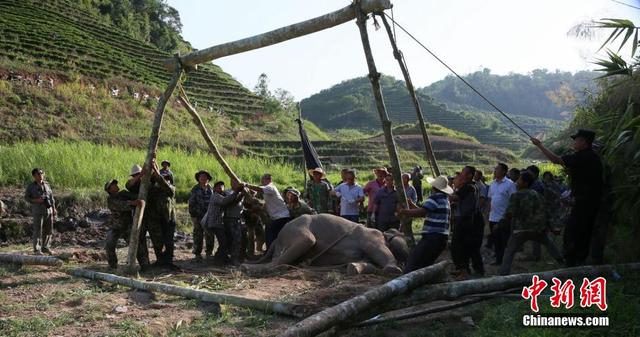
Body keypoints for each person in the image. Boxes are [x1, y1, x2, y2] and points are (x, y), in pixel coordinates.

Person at [531, 129, 603, 266]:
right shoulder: (590, 157)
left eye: (576, 139)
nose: (574, 142)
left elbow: (556, 160)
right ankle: (578, 260)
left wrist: (539, 145)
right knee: (583, 231)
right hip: (589, 201)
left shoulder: (584, 156)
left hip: (585, 202)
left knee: (573, 232)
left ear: (583, 142)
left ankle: (572, 261)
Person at [498, 172, 564, 275]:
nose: (517, 182)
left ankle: (503, 274)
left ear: (525, 183)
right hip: (537, 229)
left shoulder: (516, 195)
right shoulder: (537, 195)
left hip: (520, 229)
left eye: (519, 180)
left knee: (509, 252)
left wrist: (500, 224)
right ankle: (562, 262)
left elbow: (509, 213)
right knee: (549, 244)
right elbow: (546, 212)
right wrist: (552, 228)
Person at [400, 175, 453, 273]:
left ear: (434, 187)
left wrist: (404, 212)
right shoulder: (445, 199)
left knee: (413, 262)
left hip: (432, 237)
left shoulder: (434, 198)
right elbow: (426, 212)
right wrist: (411, 206)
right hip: (441, 238)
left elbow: (422, 212)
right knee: (424, 263)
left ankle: (408, 281)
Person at [450, 166, 484, 278]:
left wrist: (444, 190)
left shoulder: (469, 187)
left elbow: (454, 197)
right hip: (466, 219)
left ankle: (465, 271)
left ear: (469, 175)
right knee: (463, 245)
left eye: (463, 172)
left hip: (466, 220)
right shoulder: (469, 187)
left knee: (460, 245)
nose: (461, 174)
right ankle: (463, 269)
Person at [104, 179, 144, 269]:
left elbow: (135, 196)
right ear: (109, 190)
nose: (115, 185)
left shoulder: (123, 194)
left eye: (115, 184)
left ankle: (144, 265)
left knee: (135, 245)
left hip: (127, 225)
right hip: (115, 226)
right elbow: (121, 205)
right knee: (109, 245)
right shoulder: (110, 200)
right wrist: (133, 203)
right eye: (113, 185)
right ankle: (113, 266)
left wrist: (138, 198)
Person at [205, 180, 245, 265]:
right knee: (224, 242)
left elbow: (232, 202)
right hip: (215, 223)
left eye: (222, 186)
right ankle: (219, 260)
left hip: (219, 223)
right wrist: (238, 191)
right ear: (214, 189)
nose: (220, 188)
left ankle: (220, 257)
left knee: (225, 241)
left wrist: (241, 194)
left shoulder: (221, 196)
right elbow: (226, 201)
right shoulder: (215, 196)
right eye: (218, 186)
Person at [246, 174, 291, 248]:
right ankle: (271, 251)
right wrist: (257, 209)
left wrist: (247, 185)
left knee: (271, 234)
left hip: (281, 217)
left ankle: (272, 252)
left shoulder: (270, 187)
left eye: (263, 180)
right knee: (269, 232)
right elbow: (267, 204)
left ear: (269, 180)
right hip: (277, 217)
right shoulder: (268, 191)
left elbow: (259, 188)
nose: (261, 181)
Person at [486, 163, 517, 265]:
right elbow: (490, 199)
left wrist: (508, 216)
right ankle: (499, 259)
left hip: (504, 218)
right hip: (493, 216)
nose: (495, 170)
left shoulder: (510, 184)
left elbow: (513, 201)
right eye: (495, 169)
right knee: (496, 239)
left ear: (504, 171)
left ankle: (503, 260)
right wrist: (488, 212)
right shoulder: (492, 184)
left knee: (503, 240)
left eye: (497, 169)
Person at [25, 168, 57, 255]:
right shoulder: (31, 186)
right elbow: (27, 198)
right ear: (34, 176)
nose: (40, 175)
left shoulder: (47, 185)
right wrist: (36, 200)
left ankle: (46, 247)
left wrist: (54, 208)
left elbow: (51, 197)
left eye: (42, 173)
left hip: (48, 210)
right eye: (38, 174)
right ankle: (37, 250)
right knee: (37, 230)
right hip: (38, 211)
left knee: (48, 230)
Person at [188, 170, 214, 260]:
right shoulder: (195, 189)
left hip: (209, 216)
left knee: (210, 234)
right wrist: (193, 216)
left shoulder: (211, 189)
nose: (203, 178)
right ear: (198, 179)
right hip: (198, 215)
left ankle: (209, 253)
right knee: (198, 235)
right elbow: (191, 204)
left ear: (208, 179)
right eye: (201, 177)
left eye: (205, 177)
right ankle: (197, 254)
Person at [224, 179, 248, 266]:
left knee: (242, 239)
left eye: (237, 182)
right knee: (233, 239)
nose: (236, 184)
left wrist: (247, 188)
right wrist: (241, 194)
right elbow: (233, 203)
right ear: (231, 183)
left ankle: (239, 258)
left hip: (239, 219)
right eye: (234, 182)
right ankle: (232, 259)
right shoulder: (228, 192)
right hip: (230, 218)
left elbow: (251, 196)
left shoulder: (242, 191)